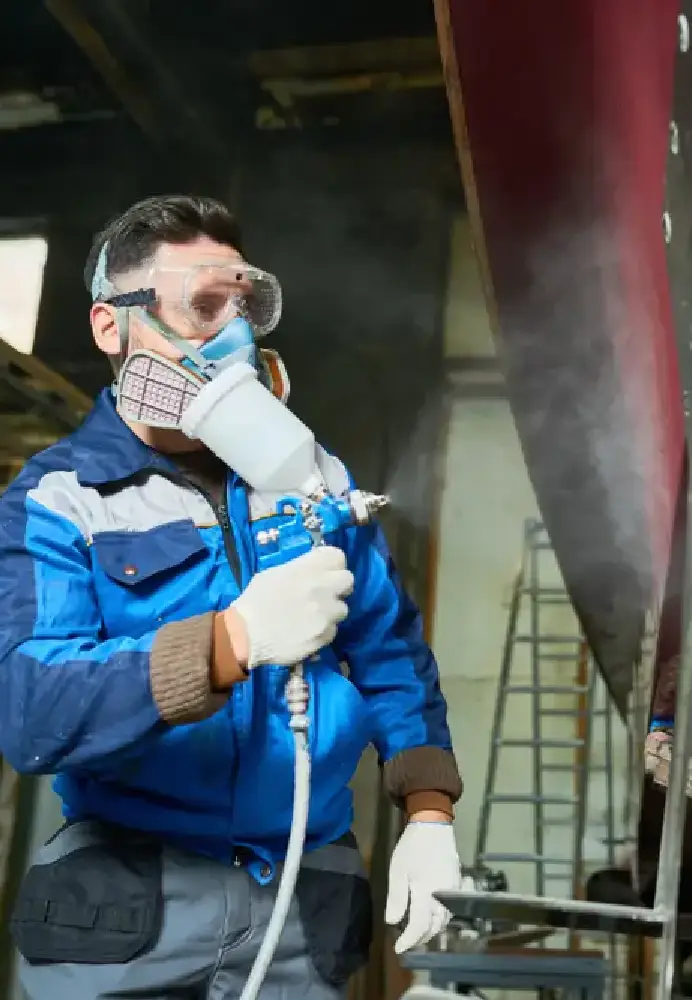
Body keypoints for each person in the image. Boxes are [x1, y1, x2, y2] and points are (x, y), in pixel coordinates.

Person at [0, 194, 464, 1000]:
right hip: (128, 897)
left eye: (244, 309)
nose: (236, 340)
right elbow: (31, 709)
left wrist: (428, 811)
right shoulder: (60, 500)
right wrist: (229, 643)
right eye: (203, 308)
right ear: (112, 327)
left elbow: (391, 653)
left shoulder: (313, 477)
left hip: (302, 899)